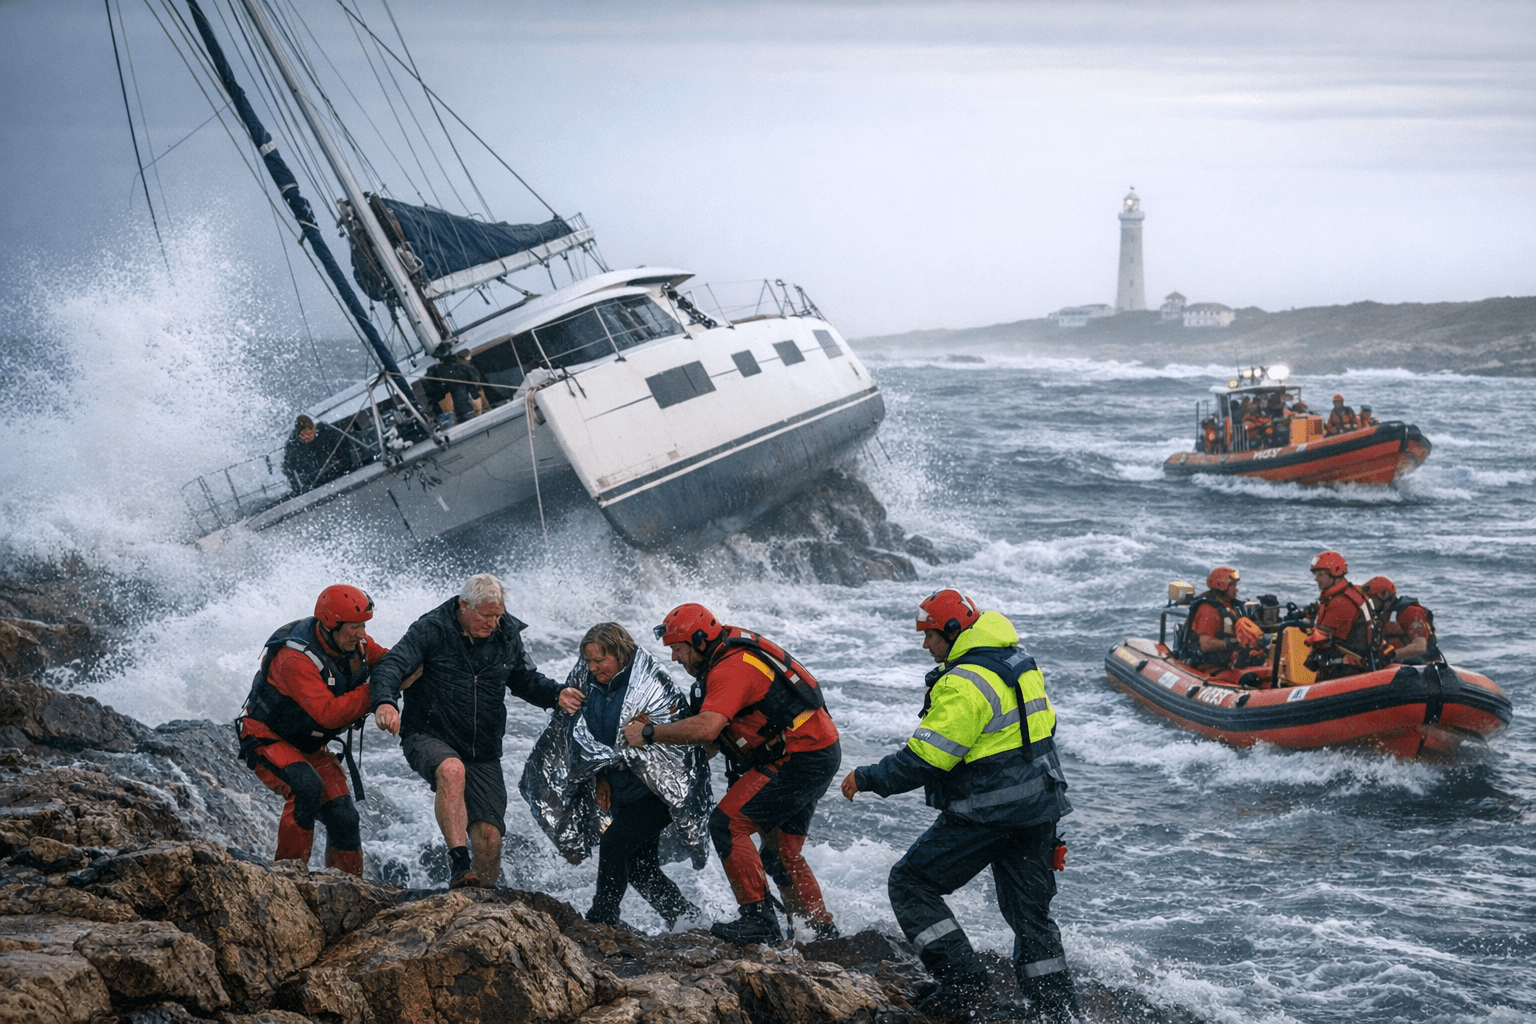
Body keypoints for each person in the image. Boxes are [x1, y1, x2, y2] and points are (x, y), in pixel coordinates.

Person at [840, 590, 1079, 1022]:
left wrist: (868, 777)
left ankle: (964, 980)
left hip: (989, 812)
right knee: (1031, 918)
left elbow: (926, 759)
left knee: (910, 883)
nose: (926, 646)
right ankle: (1057, 1012)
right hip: (1041, 807)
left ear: (952, 631)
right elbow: (1045, 727)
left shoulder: (964, 682)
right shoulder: (1019, 664)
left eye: (930, 635)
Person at [620, 603, 840, 945]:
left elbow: (708, 730)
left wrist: (649, 734)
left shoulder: (731, 669)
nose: (676, 658)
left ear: (699, 641)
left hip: (800, 756)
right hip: (815, 749)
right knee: (781, 851)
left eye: (678, 649)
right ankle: (819, 932)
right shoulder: (726, 653)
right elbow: (713, 739)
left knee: (726, 824)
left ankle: (759, 920)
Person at [370, 574, 583, 888]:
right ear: (463, 606)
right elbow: (391, 665)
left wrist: (556, 694)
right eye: (486, 615)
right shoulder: (431, 629)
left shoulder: (506, 634)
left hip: (482, 749)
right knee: (452, 771)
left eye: (497, 615)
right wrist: (385, 702)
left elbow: (524, 680)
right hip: (429, 734)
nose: (493, 623)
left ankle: (481, 901)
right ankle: (458, 865)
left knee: (489, 839)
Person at [520, 623, 708, 929]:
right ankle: (688, 919)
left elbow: (672, 736)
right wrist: (599, 776)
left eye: (599, 661)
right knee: (639, 867)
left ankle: (602, 917)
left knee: (614, 844)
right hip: (621, 788)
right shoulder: (588, 682)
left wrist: (642, 738)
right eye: (589, 661)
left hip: (657, 790)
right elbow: (579, 734)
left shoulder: (650, 683)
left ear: (619, 655)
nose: (592, 668)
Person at [238, 585, 387, 876]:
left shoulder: (354, 643)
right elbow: (329, 715)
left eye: (364, 626)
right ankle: (287, 878)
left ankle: (349, 887)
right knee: (305, 787)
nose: (362, 634)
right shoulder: (295, 659)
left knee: (344, 816)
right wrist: (373, 692)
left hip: (309, 745)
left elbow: (388, 661)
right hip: (267, 738)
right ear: (330, 625)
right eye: (354, 627)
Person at [1177, 567, 1270, 685]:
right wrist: (1233, 642)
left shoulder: (1233, 607)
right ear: (1221, 586)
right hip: (1208, 665)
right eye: (1232, 585)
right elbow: (1205, 644)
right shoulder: (1208, 611)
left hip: (1231, 660)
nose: (1236, 589)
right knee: (1249, 679)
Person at [1303, 551, 1372, 679]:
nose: (1316, 579)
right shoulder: (1339, 595)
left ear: (1335, 572)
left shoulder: (1341, 601)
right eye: (1316, 574)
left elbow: (1321, 636)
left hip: (1348, 669)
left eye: (1320, 574)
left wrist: (1303, 634)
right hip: (1347, 665)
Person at [1362, 577, 1438, 664]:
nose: (1368, 603)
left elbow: (1420, 647)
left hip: (1419, 667)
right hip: (1393, 666)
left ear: (1385, 594)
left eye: (1371, 599)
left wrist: (1390, 656)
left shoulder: (1411, 612)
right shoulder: (1380, 617)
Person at [282, 414, 358, 493]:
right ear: (298, 436)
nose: (308, 436)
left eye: (309, 432)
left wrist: (345, 464)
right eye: (304, 434)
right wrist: (297, 490)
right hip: (313, 485)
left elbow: (343, 443)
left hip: (336, 474)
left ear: (314, 428)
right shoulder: (293, 447)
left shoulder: (326, 431)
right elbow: (288, 469)